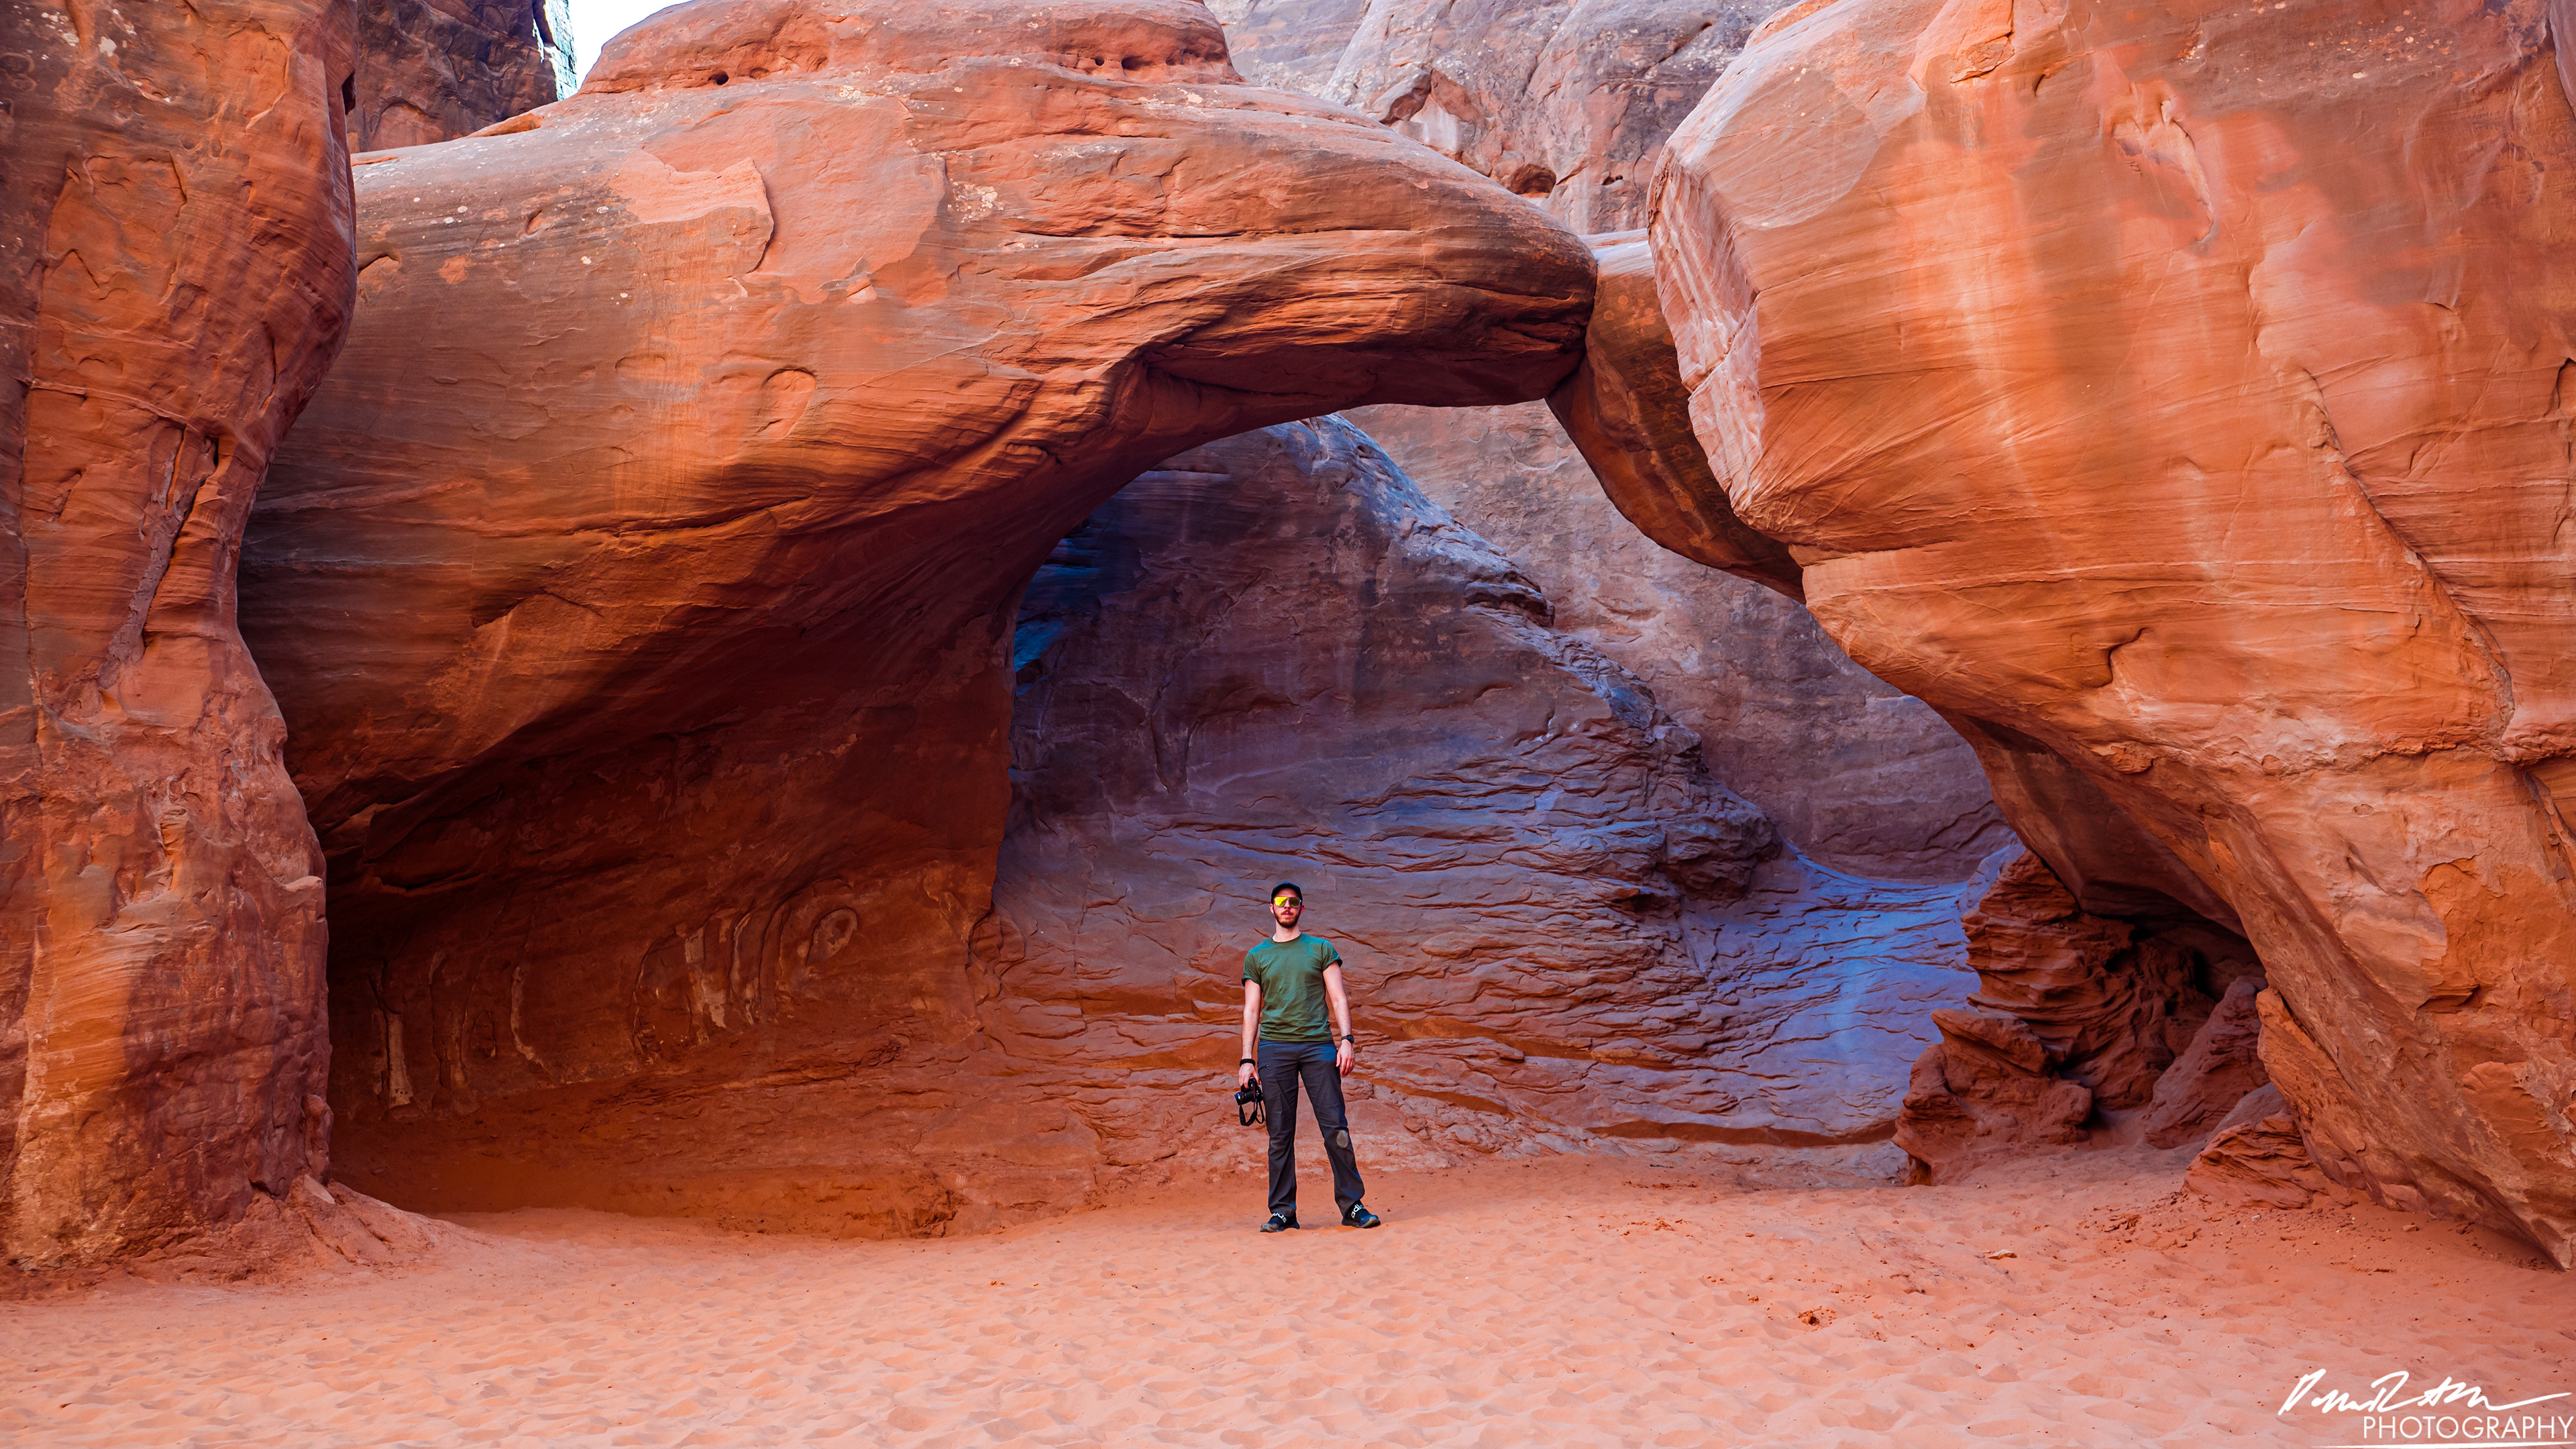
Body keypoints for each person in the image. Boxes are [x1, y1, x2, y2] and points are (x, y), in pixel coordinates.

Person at [1236, 881, 1378, 1232]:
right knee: (1280, 1134)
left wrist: (1347, 1040)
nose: (1287, 907)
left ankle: (1352, 1206)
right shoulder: (1257, 956)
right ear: (1271, 908)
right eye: (1281, 902)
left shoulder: (1320, 949)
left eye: (1294, 902)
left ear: (1302, 908)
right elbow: (1251, 1011)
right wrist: (1246, 1059)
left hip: (1318, 1046)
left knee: (1335, 1128)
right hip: (1274, 1049)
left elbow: (1339, 998)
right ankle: (1284, 1211)